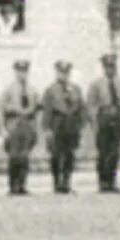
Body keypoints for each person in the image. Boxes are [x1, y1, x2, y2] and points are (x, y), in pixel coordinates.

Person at [87, 53, 120, 193]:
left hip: (117, 119)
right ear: (103, 68)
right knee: (103, 152)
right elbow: (91, 104)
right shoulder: (96, 84)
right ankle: (103, 182)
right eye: (107, 67)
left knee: (114, 152)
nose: (110, 69)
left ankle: (112, 181)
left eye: (112, 66)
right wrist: (95, 122)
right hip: (103, 119)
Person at [41, 60, 86, 194]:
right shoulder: (50, 90)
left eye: (66, 73)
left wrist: (81, 124)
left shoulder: (75, 89)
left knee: (69, 154)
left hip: (71, 125)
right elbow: (47, 110)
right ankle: (57, 182)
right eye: (61, 72)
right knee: (56, 154)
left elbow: (81, 108)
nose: (64, 75)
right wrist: (47, 129)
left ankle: (66, 181)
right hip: (57, 124)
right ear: (56, 73)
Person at [0, 60, 40, 196]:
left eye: (25, 72)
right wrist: (2, 129)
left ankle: (22, 185)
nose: (22, 74)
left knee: (25, 157)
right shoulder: (9, 89)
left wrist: (35, 128)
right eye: (20, 71)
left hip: (27, 126)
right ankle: (13, 185)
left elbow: (38, 109)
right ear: (15, 72)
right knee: (14, 156)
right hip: (14, 126)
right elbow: (0, 110)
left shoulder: (32, 90)